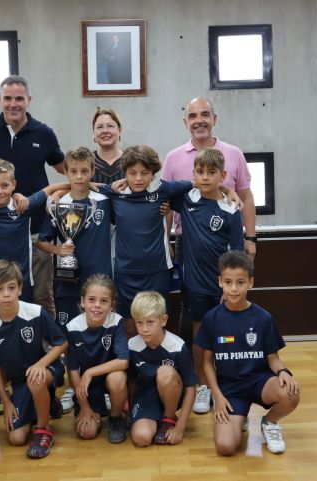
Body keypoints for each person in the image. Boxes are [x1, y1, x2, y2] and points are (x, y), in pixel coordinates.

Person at [100, 145, 237, 320]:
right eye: (132, 173)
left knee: (157, 321)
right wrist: (53, 190)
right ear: (125, 173)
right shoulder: (116, 192)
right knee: (128, 324)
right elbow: (86, 185)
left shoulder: (164, 189)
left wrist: (228, 190)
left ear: (154, 173)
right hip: (125, 272)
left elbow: (202, 183)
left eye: (145, 173)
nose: (138, 178)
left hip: (158, 270)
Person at [0, 75, 65, 318]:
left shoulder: (43, 133)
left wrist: (60, 194)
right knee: (1, 295)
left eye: (19, 99)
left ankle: (48, 349)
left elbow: (64, 169)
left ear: (29, 101)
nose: (14, 104)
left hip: (36, 231)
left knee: (41, 295)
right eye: (8, 98)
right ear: (0, 100)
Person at [194, 251, 300, 456]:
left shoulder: (263, 318)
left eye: (240, 282)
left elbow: (273, 358)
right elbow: (206, 363)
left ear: (251, 282)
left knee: (291, 392)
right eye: (228, 282)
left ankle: (269, 423)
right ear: (220, 282)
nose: (234, 289)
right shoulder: (211, 319)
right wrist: (216, 396)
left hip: (260, 382)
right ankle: (240, 417)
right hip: (230, 389)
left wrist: (284, 372)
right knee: (225, 447)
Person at [169, 148, 244, 414]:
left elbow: (237, 254)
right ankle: (202, 386)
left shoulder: (231, 209)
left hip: (222, 287)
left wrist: (230, 286)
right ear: (193, 174)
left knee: (224, 335)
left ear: (223, 175)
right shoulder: (186, 199)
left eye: (212, 173)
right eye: (199, 172)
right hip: (195, 286)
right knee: (200, 335)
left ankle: (222, 384)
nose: (205, 177)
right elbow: (160, 189)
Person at [0, 259, 68, 459]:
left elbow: (61, 343)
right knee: (16, 438)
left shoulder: (36, 313)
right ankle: (47, 403)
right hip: (21, 382)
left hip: (48, 368)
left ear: (20, 289)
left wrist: (41, 364)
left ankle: (43, 429)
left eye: (11, 287)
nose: (6, 294)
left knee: (36, 379)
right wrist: (6, 402)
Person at [162, 97, 256, 260]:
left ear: (215, 119)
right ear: (186, 123)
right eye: (193, 116)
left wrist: (250, 238)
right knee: (187, 286)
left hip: (227, 239)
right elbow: (167, 206)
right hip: (186, 243)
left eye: (205, 114)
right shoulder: (172, 158)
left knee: (228, 285)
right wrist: (164, 243)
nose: (199, 121)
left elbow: (246, 197)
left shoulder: (234, 154)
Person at [36, 146, 112, 326]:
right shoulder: (57, 203)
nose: (79, 176)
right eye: (74, 171)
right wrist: (57, 249)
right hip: (68, 281)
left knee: (100, 331)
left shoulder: (105, 200)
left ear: (93, 171)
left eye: (85, 171)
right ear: (66, 172)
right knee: (68, 333)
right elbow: (41, 242)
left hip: (99, 280)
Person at [128, 291, 197, 447]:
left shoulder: (177, 347)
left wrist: (181, 427)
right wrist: (132, 411)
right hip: (146, 397)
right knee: (141, 438)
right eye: (139, 323)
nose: (144, 328)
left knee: (164, 372)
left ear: (163, 320)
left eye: (150, 322)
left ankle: (169, 419)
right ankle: (152, 420)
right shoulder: (132, 346)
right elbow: (131, 381)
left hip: (172, 394)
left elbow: (191, 388)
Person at [65, 274, 128, 443]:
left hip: (110, 378)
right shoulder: (72, 328)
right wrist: (84, 407)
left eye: (104, 301)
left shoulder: (117, 322)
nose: (97, 306)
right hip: (87, 387)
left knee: (118, 377)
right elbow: (72, 370)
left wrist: (90, 372)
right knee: (87, 432)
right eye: (92, 300)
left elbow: (123, 360)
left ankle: (115, 418)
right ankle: (91, 408)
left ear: (112, 305)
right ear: (83, 302)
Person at [90, 108, 124, 185]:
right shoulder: (85, 161)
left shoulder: (132, 161)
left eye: (110, 126)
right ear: (94, 132)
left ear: (120, 130)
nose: (105, 131)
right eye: (99, 127)